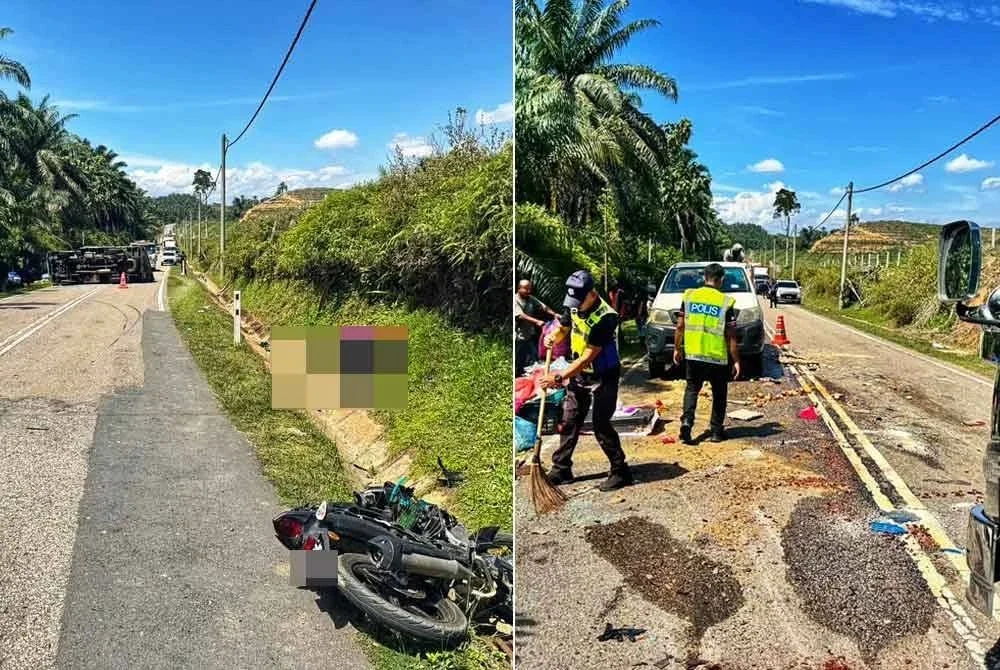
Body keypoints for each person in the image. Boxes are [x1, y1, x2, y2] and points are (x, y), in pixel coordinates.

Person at [539, 270, 633, 491]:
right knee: (570, 419)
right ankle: (561, 469)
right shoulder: (573, 304)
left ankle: (621, 471)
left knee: (601, 424)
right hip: (580, 374)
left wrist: (559, 376)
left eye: (579, 301)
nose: (575, 305)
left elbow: (589, 355)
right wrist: (554, 336)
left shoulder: (606, 317)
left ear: (592, 294)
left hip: (604, 374)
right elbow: (564, 326)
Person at [673, 263, 741, 444]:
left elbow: (680, 326)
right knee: (719, 393)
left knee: (692, 389)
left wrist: (677, 348)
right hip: (716, 356)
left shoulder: (689, 296)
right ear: (721, 280)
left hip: (694, 354)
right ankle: (716, 432)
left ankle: (687, 423)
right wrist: (736, 360)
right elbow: (731, 335)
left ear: (704, 277)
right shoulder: (725, 301)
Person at [515, 279, 558, 376]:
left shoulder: (530, 298)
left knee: (534, 358)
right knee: (518, 359)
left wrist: (555, 314)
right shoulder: (515, 300)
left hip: (529, 335)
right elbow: (521, 315)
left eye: (530, 289)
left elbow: (543, 307)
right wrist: (537, 321)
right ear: (519, 289)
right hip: (519, 336)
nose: (528, 291)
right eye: (526, 289)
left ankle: (526, 376)